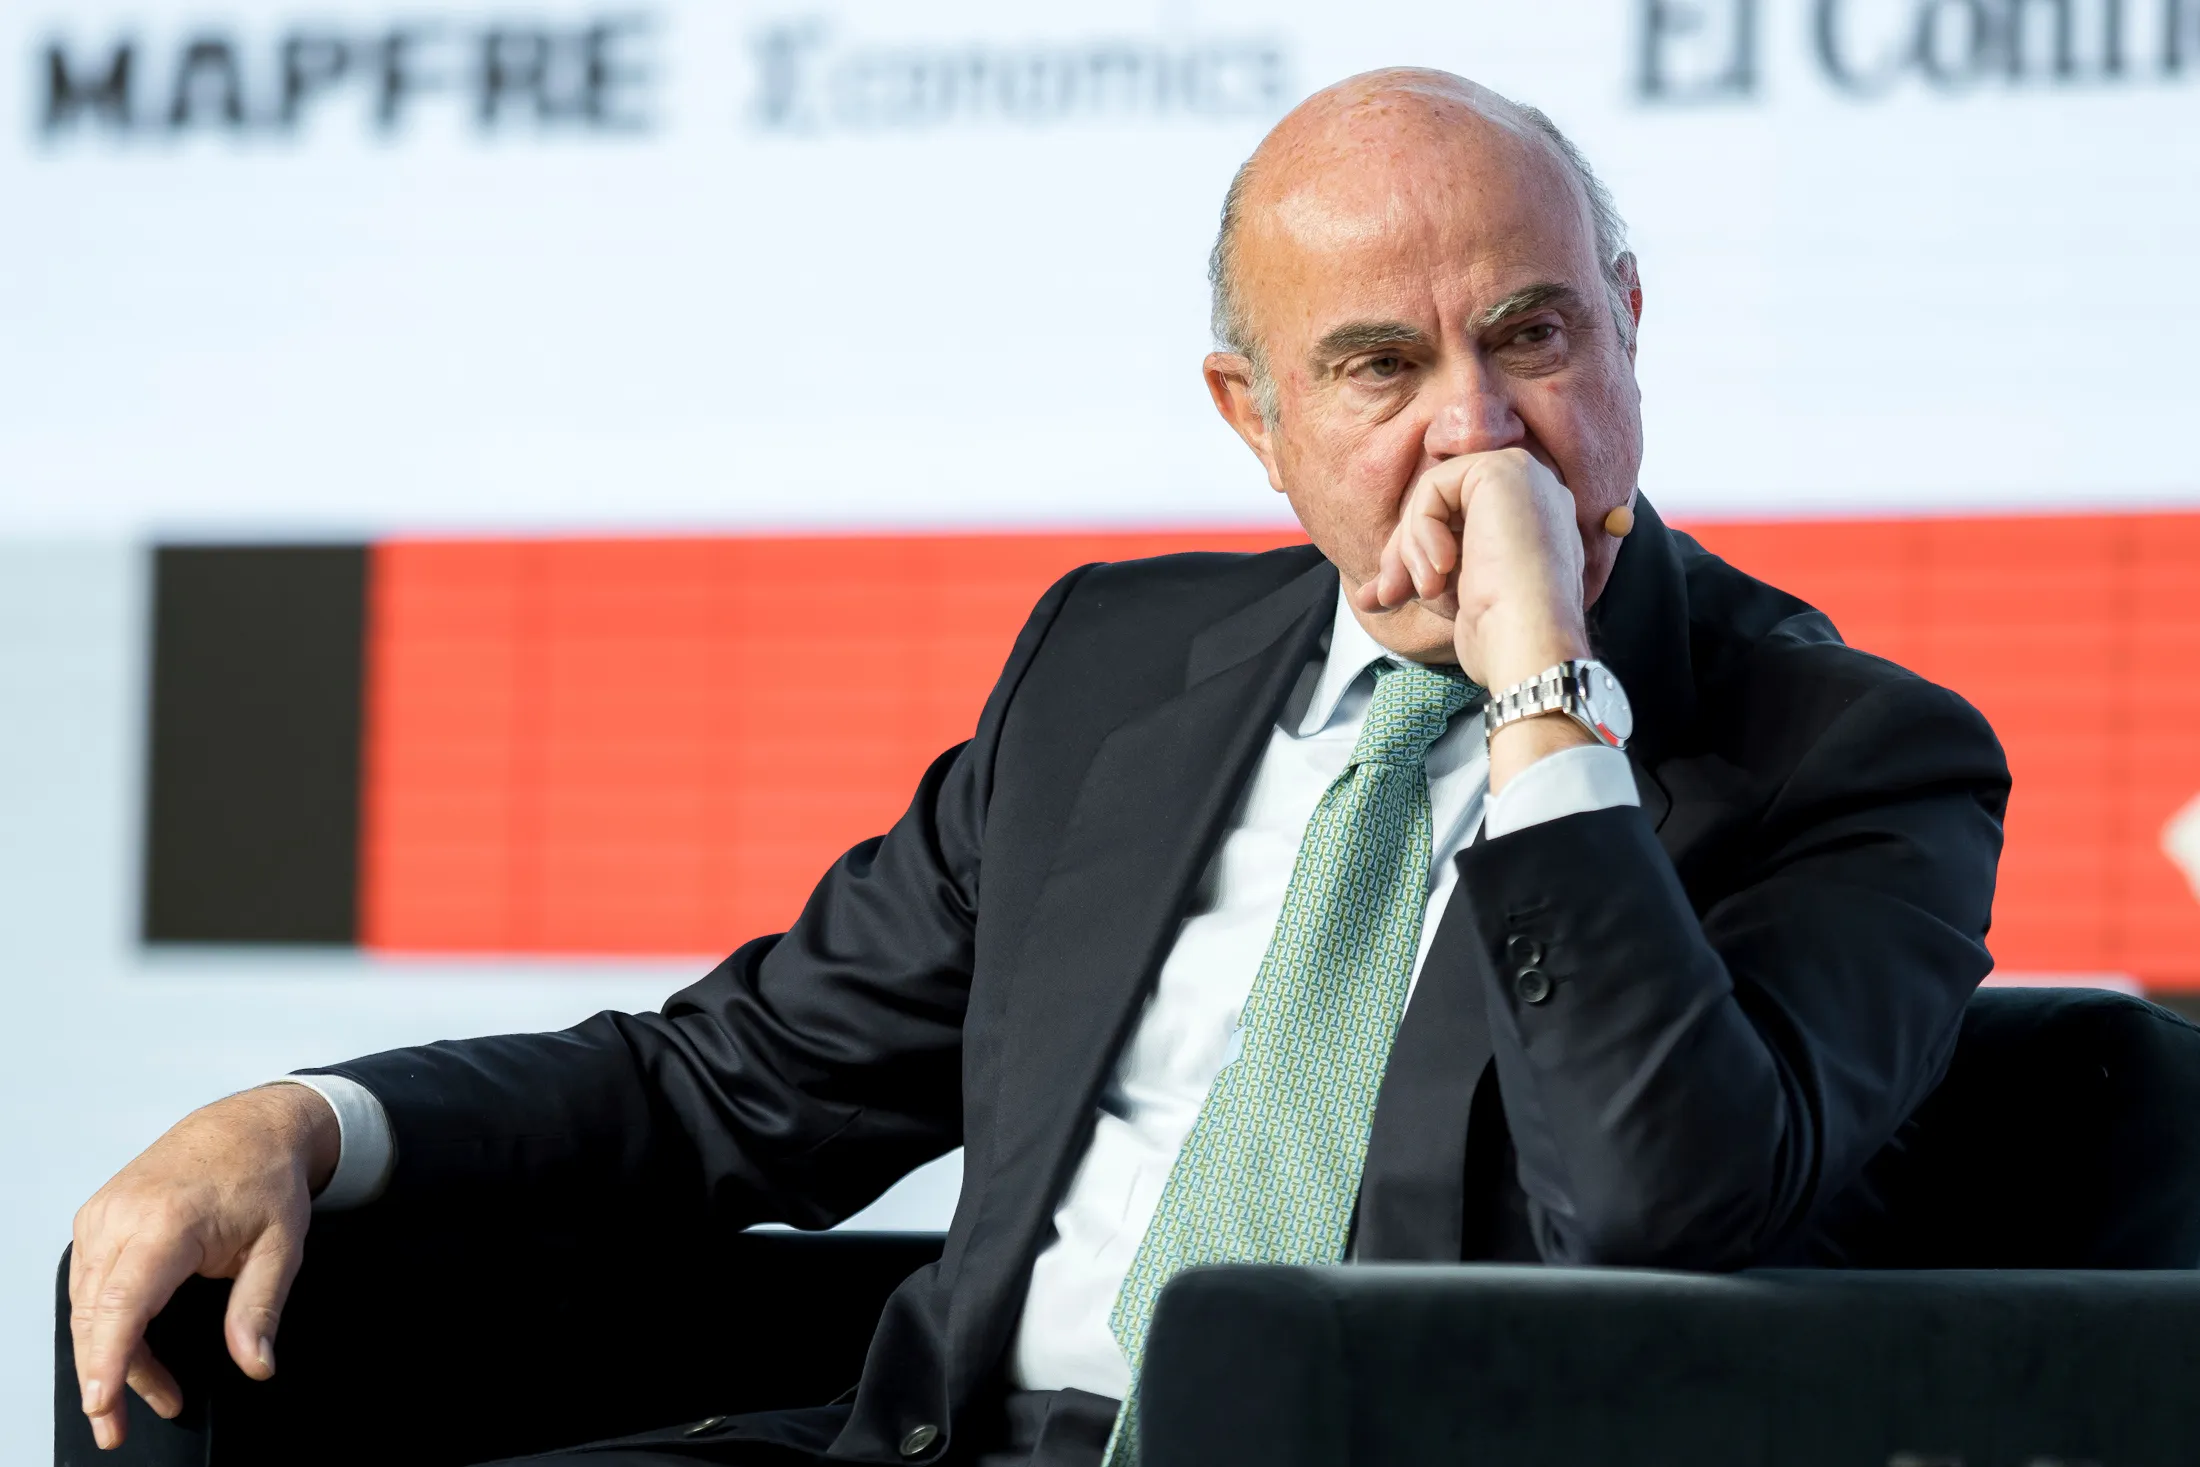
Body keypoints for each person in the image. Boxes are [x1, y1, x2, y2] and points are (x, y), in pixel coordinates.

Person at [68, 68, 2008, 1466]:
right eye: (1377, 368)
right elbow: (729, 1083)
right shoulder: (1116, 663)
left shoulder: (1851, 754)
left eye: (1533, 333)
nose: (1478, 429)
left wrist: (1542, 702)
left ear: (1630, 326)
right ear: (1253, 419)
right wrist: (308, 1122)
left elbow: (1661, 1221)